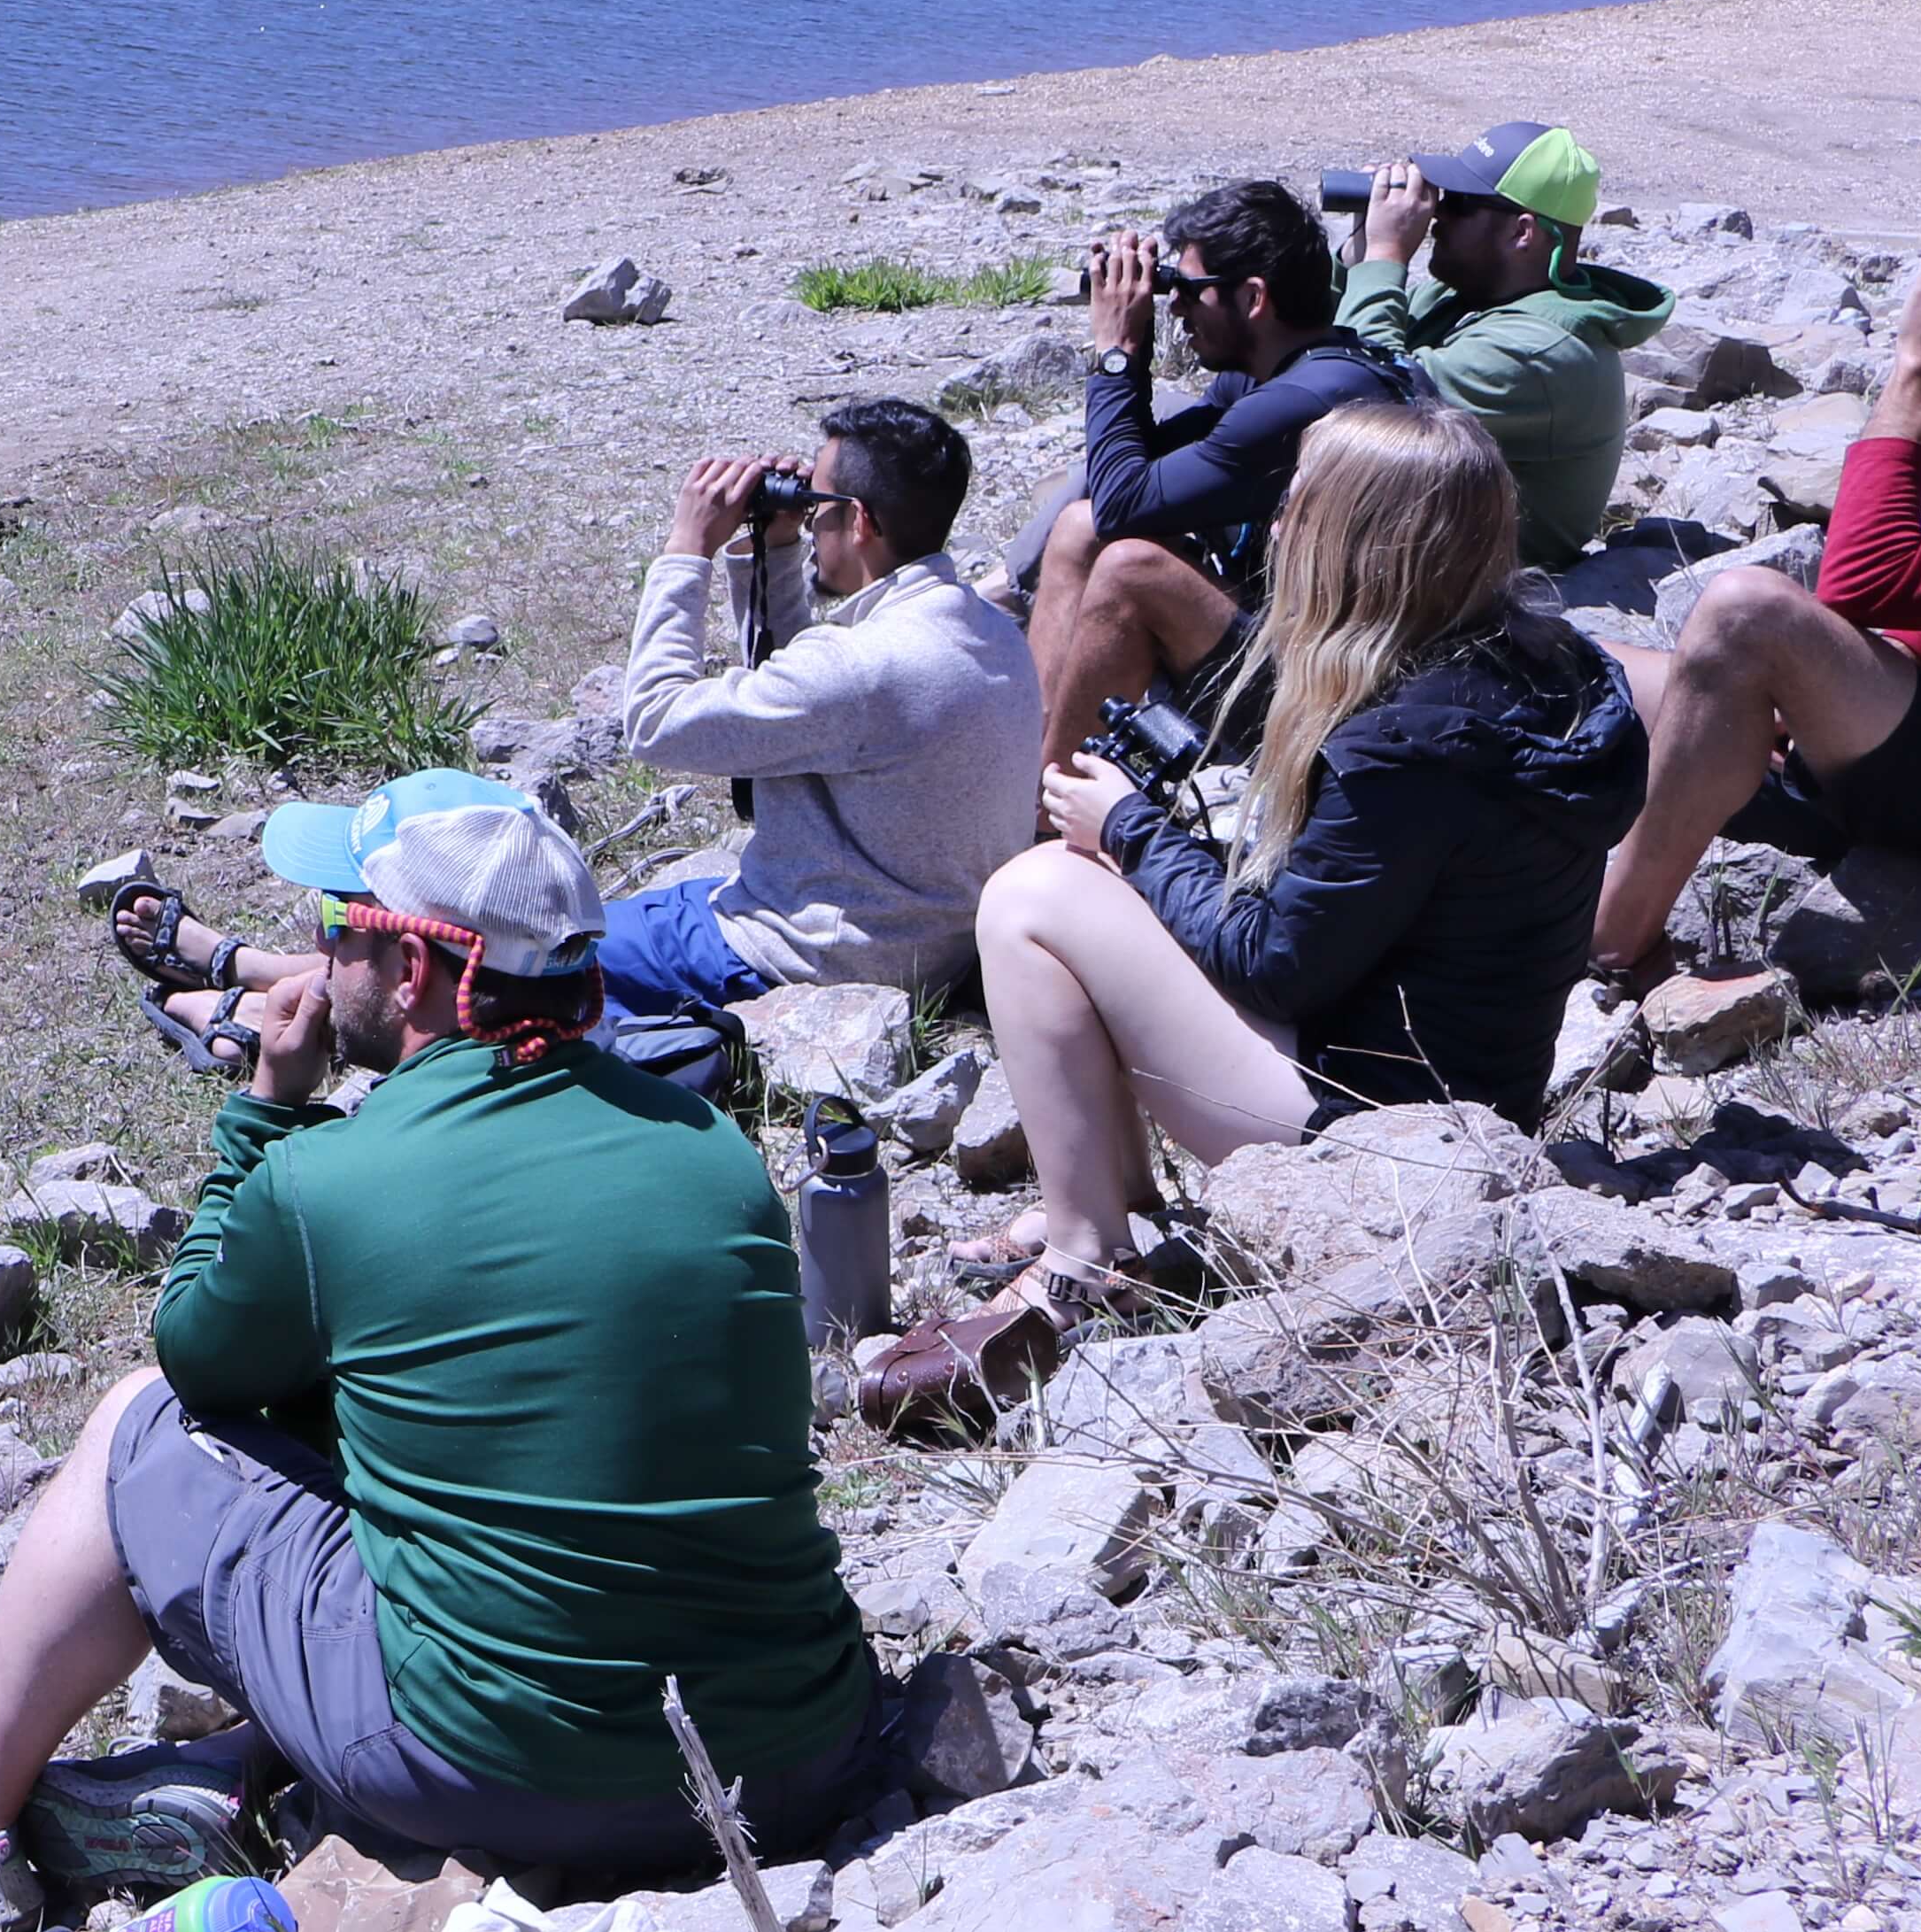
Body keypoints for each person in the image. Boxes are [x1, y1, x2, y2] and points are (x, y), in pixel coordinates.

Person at [0, 779, 884, 1928]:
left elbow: (201, 1363)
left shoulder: (324, 1180)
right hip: (797, 1761)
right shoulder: (712, 1146)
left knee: (140, 1421)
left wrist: (264, 1115)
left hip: (500, 1772)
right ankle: (226, 1776)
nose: (316, 954)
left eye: (338, 928)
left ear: (416, 972)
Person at [959, 404, 1645, 1309]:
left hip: (1367, 1135)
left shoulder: (1406, 746)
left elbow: (1275, 967)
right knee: (1111, 891)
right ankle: (1112, 1201)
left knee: (1031, 893)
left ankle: (1087, 1255)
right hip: (1478, 1097)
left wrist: (1126, 824)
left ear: (1368, 543)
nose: (1278, 524)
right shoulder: (1561, 669)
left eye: (1300, 507)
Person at [1589, 221, 1921, 980]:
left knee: (1747, 612)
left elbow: (1864, 577)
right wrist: (1817, 692)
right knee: (1565, 657)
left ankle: (1612, 938)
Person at [592, 397, 1038, 1018]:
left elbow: (655, 721)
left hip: (811, 961)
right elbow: (814, 709)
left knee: (530, 960)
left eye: (815, 507)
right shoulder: (993, 631)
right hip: (928, 945)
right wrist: (772, 554)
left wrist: (686, 548)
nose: (807, 522)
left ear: (859, 522)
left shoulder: (866, 666)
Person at [1020, 183, 1417, 761]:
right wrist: (1138, 348)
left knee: (1131, 566)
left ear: (1254, 298)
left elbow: (1121, 503)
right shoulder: (1303, 369)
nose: (1175, 306)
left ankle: (1050, 817)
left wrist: (1117, 351)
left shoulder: (1304, 403)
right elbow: (1133, 468)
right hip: (1313, 649)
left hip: (1344, 698)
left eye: (1189, 291)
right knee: (1081, 530)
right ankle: (1028, 769)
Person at [1338, 123, 1664, 566]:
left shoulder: (1542, 350)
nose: (1438, 216)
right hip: (1403, 552)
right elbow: (1319, 350)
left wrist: (1385, 256)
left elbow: (1357, 399)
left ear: (1522, 233)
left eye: (1461, 203)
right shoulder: (1466, 296)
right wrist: (1357, 258)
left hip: (1466, 597)